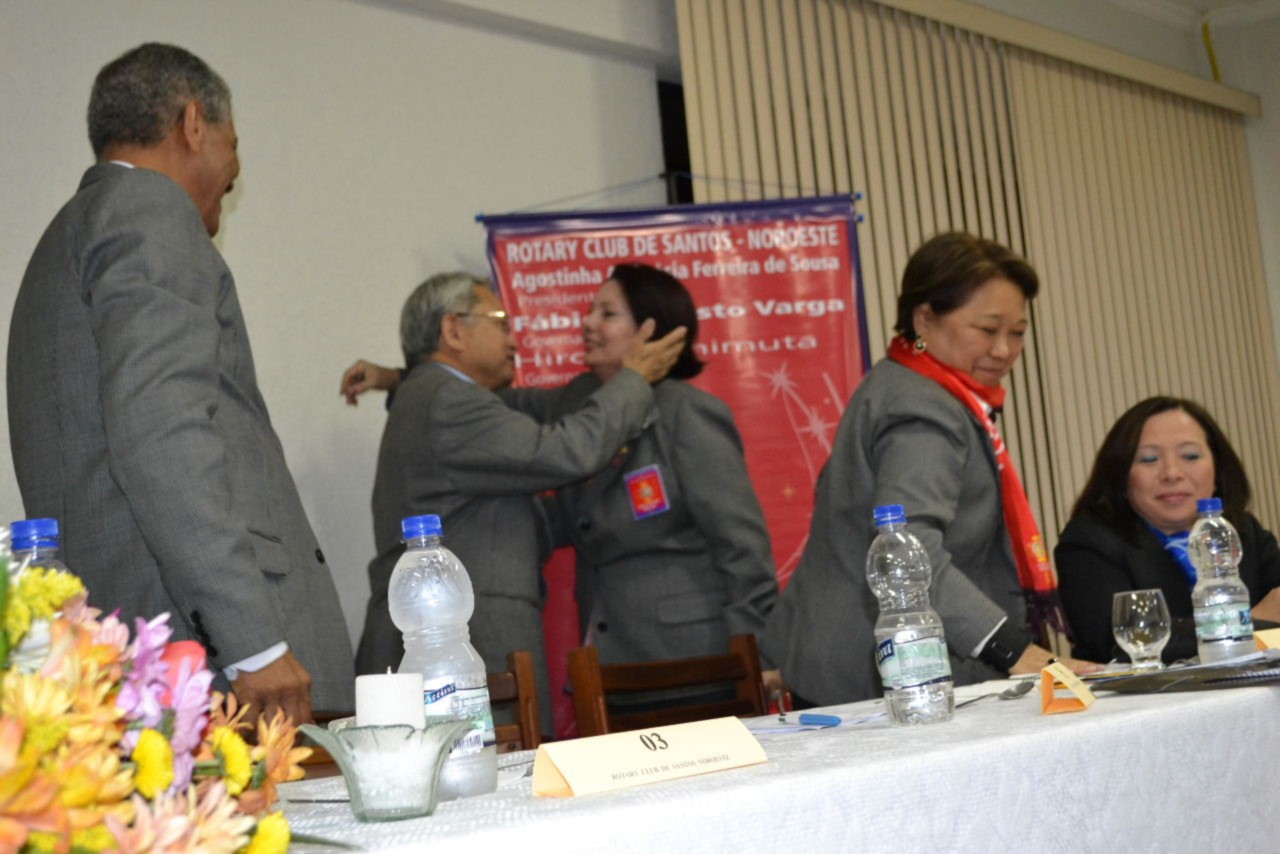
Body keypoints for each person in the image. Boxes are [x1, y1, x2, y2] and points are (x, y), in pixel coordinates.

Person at [6, 43, 352, 723]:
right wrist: (253, 644)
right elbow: (161, 431)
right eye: (233, 145)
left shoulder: (61, 241)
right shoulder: (150, 208)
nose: (234, 172)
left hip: (124, 652)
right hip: (210, 665)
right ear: (193, 123)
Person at [343, 264, 780, 700]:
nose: (587, 323)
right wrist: (405, 376)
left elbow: (741, 544)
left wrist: (759, 654)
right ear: (453, 332)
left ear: (651, 332)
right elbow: (564, 446)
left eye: (607, 314)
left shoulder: (686, 411)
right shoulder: (546, 400)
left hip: (696, 658)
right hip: (601, 664)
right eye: (501, 324)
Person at [763, 231, 1095, 708]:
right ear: (924, 319)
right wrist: (1014, 650)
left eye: (1018, 332)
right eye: (988, 329)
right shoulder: (923, 406)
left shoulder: (903, 384)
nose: (1004, 350)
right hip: (877, 675)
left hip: (851, 662)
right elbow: (908, 548)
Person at [1056, 396, 1280, 663]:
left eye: (1190, 456)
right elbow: (1120, 641)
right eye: (1149, 459)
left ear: (1218, 469)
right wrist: (1246, 623)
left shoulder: (1242, 531)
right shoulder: (1089, 540)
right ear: (1121, 476)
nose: (1172, 473)